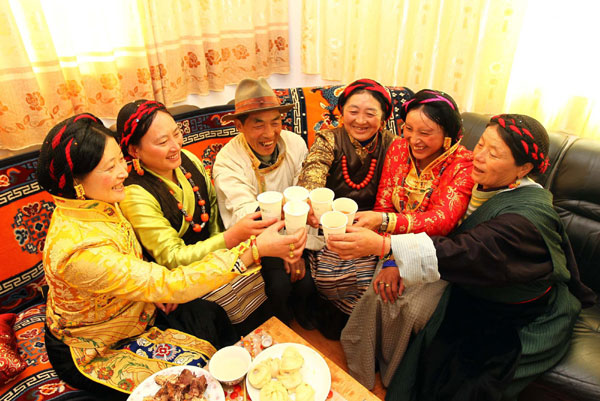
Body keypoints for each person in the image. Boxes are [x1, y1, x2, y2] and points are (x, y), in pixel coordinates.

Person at [37, 113, 306, 398]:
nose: (123, 172)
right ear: (77, 182)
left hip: (142, 305)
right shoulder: (79, 252)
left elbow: (134, 262)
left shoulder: (96, 202)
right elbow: (169, 278)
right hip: (97, 344)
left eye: (119, 160)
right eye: (110, 166)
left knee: (211, 317)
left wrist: (149, 292)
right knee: (190, 381)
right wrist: (252, 250)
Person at [336, 114, 596, 400]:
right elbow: (442, 223)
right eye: (481, 144)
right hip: (472, 282)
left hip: (514, 312)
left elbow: (467, 251)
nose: (479, 156)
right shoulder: (475, 179)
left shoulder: (523, 220)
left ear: (524, 168)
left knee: (462, 382)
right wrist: (391, 255)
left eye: (493, 153)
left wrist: (384, 246)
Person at [302, 88, 474, 339]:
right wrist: (391, 256)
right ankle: (345, 326)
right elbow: (384, 201)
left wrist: (389, 241)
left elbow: (442, 221)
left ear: (448, 134)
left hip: (430, 249)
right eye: (409, 129)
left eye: (425, 132)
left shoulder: (463, 164)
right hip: (384, 236)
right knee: (334, 272)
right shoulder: (399, 149)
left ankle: (369, 344)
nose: (414, 139)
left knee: (380, 292)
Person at [118, 100, 274, 335]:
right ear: (134, 150)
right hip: (178, 276)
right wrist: (232, 239)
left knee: (263, 273)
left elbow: (212, 210)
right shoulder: (134, 193)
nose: (175, 146)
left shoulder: (188, 160)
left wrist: (224, 255)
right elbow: (172, 257)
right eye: (162, 142)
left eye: (176, 134)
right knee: (226, 297)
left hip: (214, 256)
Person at [295, 78, 398, 337]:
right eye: (353, 111)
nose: (360, 120)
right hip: (331, 224)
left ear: (383, 119)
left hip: (373, 226)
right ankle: (337, 314)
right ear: (342, 113)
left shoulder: (393, 145)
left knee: (370, 281)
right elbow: (314, 168)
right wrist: (309, 196)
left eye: (370, 113)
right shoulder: (329, 139)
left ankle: (351, 324)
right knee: (329, 279)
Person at [212, 77, 315, 328]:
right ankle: (280, 327)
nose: (269, 134)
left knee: (307, 282)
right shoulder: (228, 161)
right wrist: (287, 249)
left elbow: (302, 192)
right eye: (258, 125)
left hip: (296, 229)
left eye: (275, 123)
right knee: (277, 284)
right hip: (254, 236)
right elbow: (246, 214)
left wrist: (293, 247)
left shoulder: (294, 143)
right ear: (239, 125)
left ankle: (303, 317)